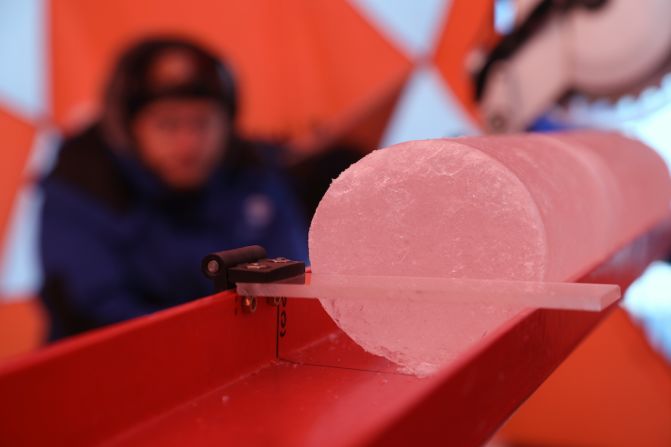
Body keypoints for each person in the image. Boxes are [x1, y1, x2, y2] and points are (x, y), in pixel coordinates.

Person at [39, 37, 308, 340]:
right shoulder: (82, 184)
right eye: (167, 124)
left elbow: (293, 283)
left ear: (228, 124)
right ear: (128, 129)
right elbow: (95, 311)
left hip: (242, 364)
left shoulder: (253, 172)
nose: (187, 144)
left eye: (202, 122)